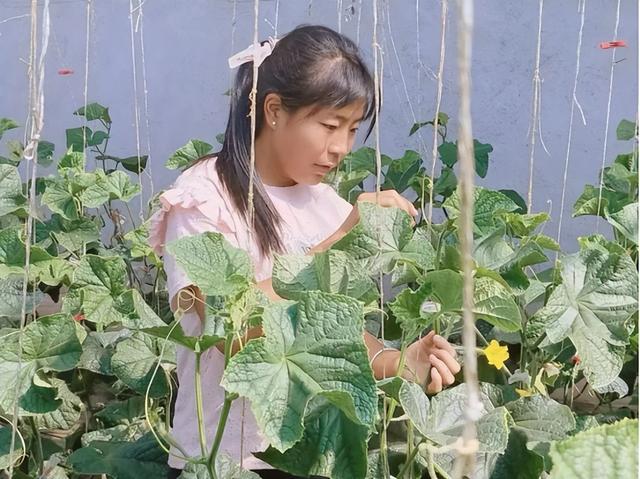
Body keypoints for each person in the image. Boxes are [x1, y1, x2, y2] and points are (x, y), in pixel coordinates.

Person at [148, 24, 460, 479]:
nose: (340, 148)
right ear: (273, 110)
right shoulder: (202, 198)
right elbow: (224, 326)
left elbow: (334, 334)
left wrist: (399, 362)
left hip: (309, 460)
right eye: (330, 126)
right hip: (224, 461)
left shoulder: (327, 204)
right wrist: (339, 242)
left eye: (353, 129)